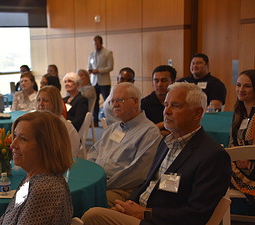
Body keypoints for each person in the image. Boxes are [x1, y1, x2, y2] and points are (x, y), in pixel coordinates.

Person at [82, 82, 231, 225]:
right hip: (142, 209)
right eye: (166, 105)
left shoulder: (213, 156)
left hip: (159, 220)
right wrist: (126, 205)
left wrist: (144, 213)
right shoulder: (167, 142)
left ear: (197, 113)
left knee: (92, 216)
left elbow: (196, 214)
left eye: (175, 105)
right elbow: (147, 183)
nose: (167, 111)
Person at [87, 82, 162, 207]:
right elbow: (94, 153)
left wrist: (100, 186)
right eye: (112, 101)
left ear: (135, 101)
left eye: (119, 100)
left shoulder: (150, 132)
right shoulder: (113, 128)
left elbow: (137, 174)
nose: (114, 105)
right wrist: (90, 178)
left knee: (87, 201)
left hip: (122, 189)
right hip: (99, 181)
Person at [0, 111, 73, 225]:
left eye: (23, 139)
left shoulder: (44, 189)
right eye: (15, 136)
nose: (13, 145)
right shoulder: (32, 178)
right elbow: (7, 218)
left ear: (45, 147)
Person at [229, 69, 255, 209]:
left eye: (247, 86)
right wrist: (237, 156)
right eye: (238, 85)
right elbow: (232, 141)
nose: (241, 89)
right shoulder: (239, 112)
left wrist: (248, 159)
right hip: (238, 165)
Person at [36, 86, 80, 157]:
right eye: (38, 100)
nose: (40, 104)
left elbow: (69, 156)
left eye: (45, 100)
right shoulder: (40, 122)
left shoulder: (64, 127)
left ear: (55, 103)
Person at [141, 65, 176, 136]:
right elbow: (141, 132)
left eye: (164, 80)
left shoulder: (179, 103)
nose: (159, 84)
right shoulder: (143, 104)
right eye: (156, 81)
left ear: (173, 82)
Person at [87, 35, 114, 126]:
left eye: (97, 44)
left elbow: (110, 67)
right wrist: (89, 70)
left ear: (101, 43)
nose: (96, 46)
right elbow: (89, 66)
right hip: (94, 81)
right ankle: (95, 121)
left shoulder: (108, 53)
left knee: (107, 102)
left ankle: (109, 120)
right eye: (94, 44)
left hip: (104, 82)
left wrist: (99, 71)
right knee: (94, 102)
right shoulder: (91, 54)